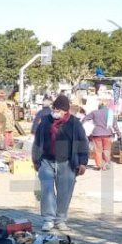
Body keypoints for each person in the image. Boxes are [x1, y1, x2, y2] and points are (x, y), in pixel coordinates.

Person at [31, 95, 88, 232]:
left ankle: (61, 219)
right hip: (46, 160)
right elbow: (37, 141)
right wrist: (35, 159)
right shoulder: (45, 121)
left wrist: (83, 162)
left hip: (67, 162)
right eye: (54, 108)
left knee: (65, 192)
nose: (55, 111)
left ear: (65, 111)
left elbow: (82, 142)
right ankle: (48, 219)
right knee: (47, 190)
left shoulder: (74, 123)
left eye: (59, 109)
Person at [82, 102, 118, 170]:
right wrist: (118, 133)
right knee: (106, 150)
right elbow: (115, 124)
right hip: (107, 134)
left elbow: (85, 119)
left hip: (96, 134)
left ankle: (100, 165)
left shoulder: (94, 112)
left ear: (99, 107)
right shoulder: (110, 113)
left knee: (98, 150)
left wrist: (83, 125)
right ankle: (106, 163)